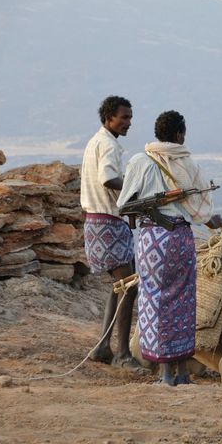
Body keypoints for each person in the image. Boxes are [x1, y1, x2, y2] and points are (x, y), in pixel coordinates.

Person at [118, 110, 222, 386]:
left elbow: (124, 204)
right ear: (179, 135)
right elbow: (203, 211)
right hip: (180, 240)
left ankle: (165, 375)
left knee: (155, 302)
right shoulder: (187, 164)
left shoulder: (140, 161)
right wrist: (221, 227)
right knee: (183, 303)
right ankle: (182, 373)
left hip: (151, 242)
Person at [81, 95, 144, 373]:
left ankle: (103, 347)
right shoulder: (108, 144)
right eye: (124, 117)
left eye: (130, 117)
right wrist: (135, 187)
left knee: (119, 286)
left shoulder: (96, 141)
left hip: (97, 223)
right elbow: (108, 178)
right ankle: (122, 354)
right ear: (109, 118)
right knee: (130, 285)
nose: (128, 122)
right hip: (107, 224)